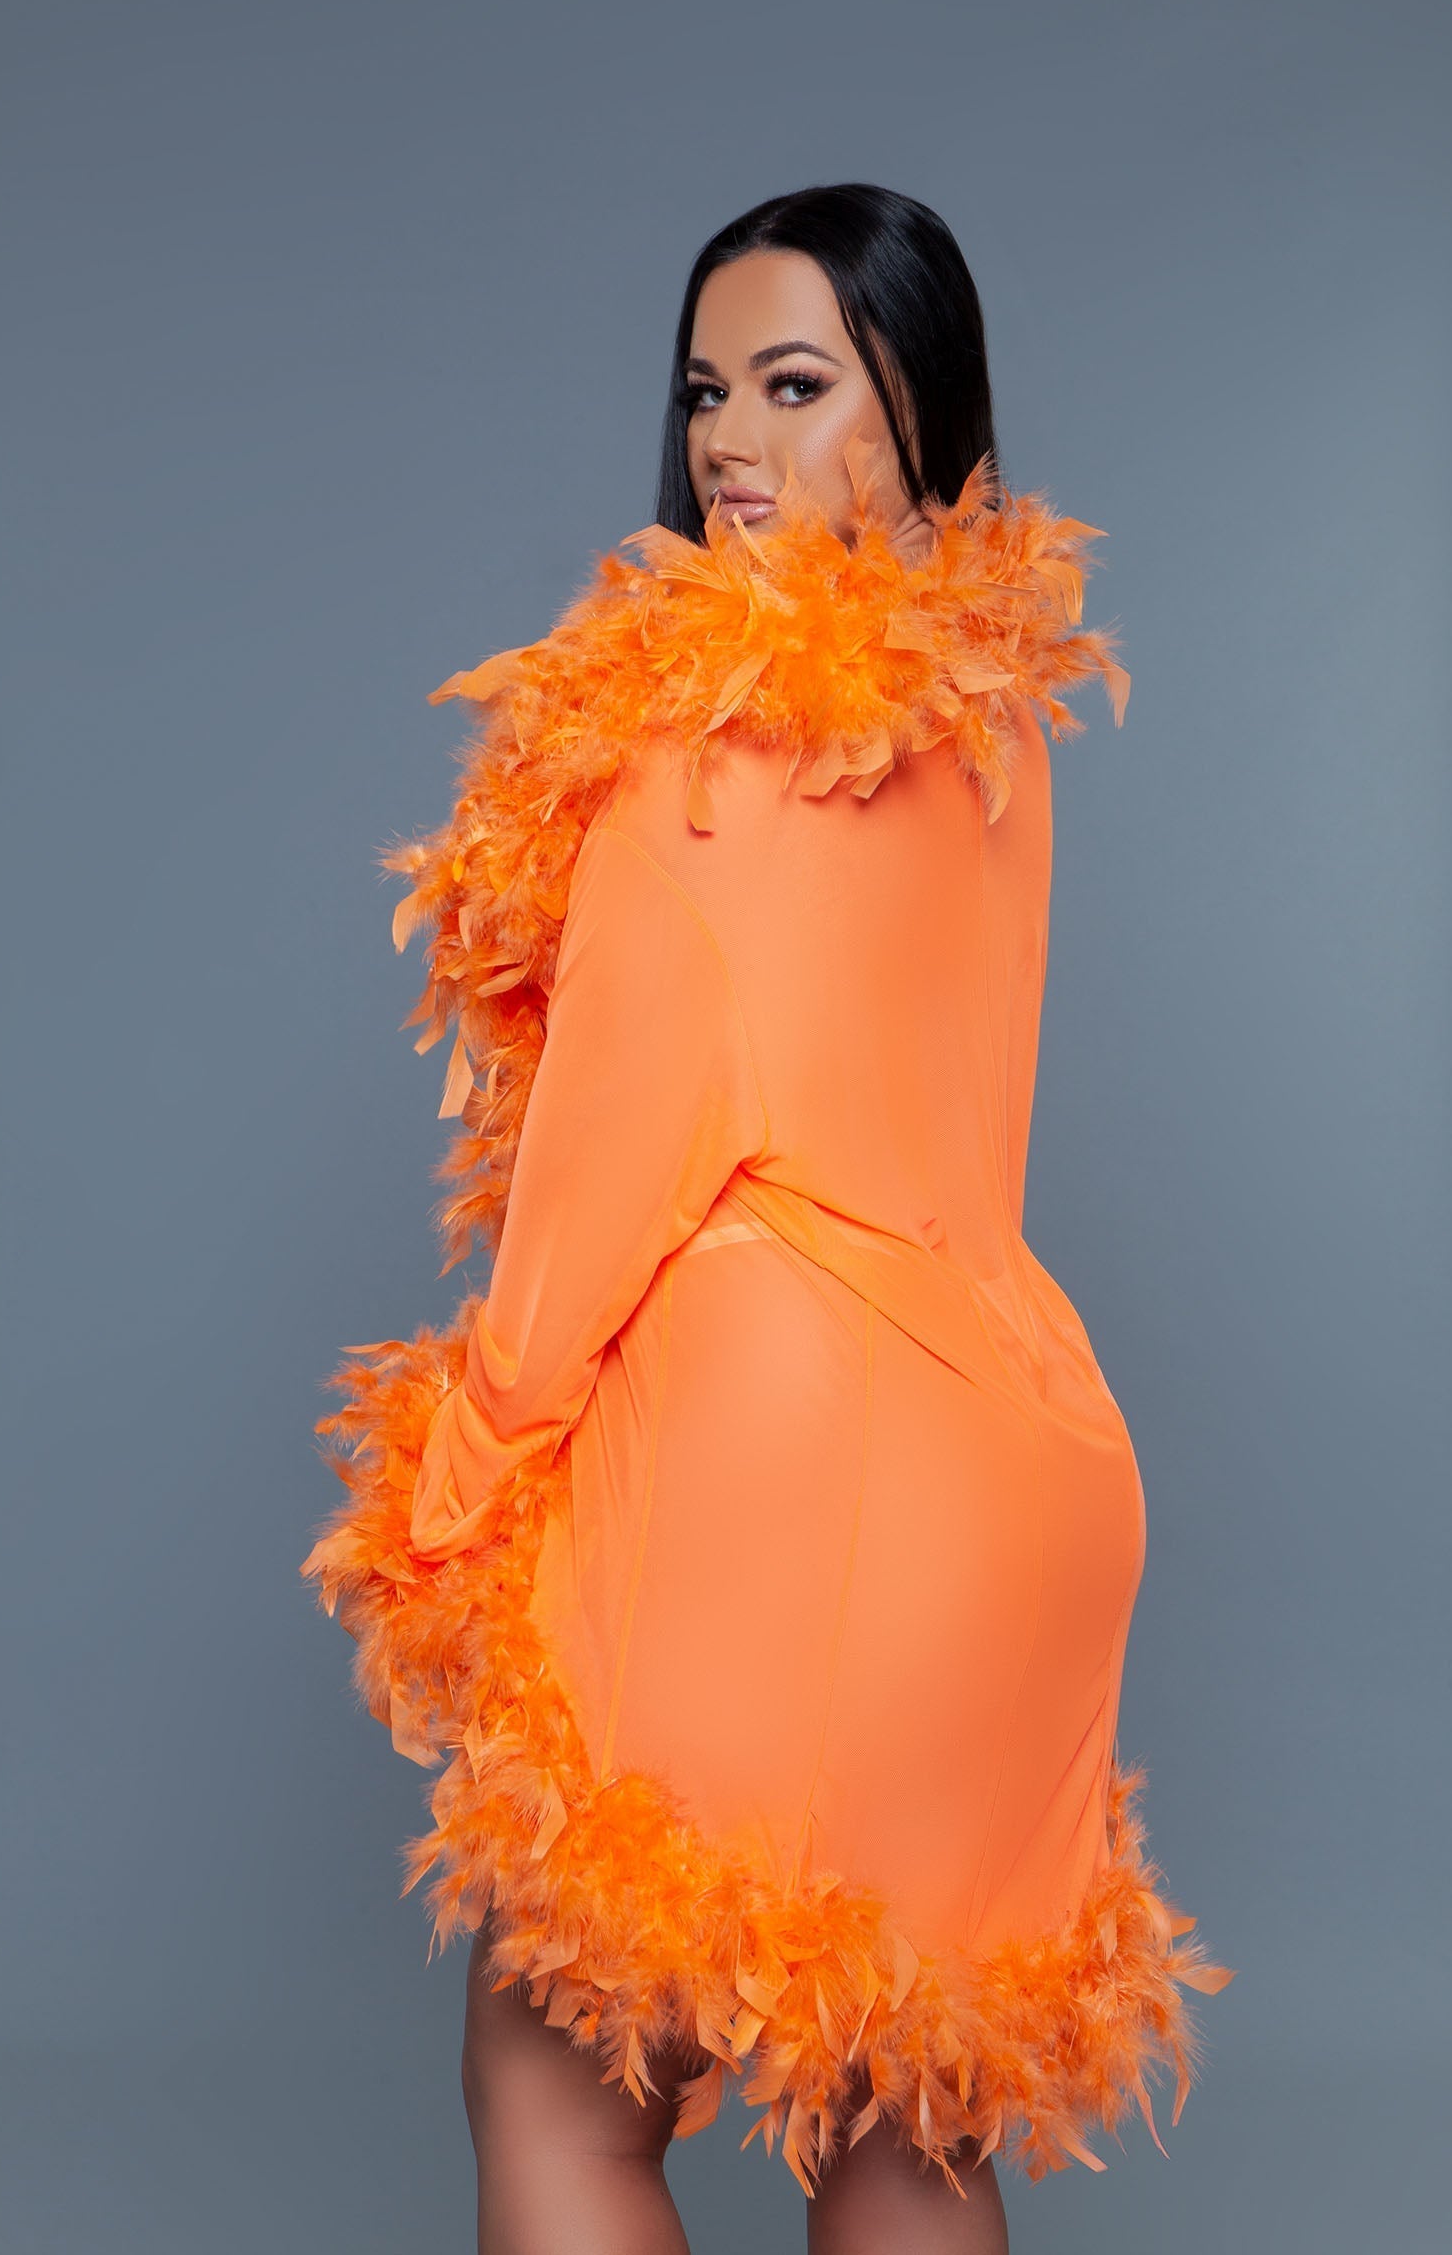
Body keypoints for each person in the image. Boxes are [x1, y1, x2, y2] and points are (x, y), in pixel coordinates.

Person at [302, 182, 1230, 2255]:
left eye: (793, 385)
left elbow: (601, 1186)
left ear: (919, 408)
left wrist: (456, 1485)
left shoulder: (692, 757)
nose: (729, 438)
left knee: (557, 2088)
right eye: (707, 390)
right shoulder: (996, 726)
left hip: (778, 1470)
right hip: (1026, 1475)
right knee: (910, 2123)